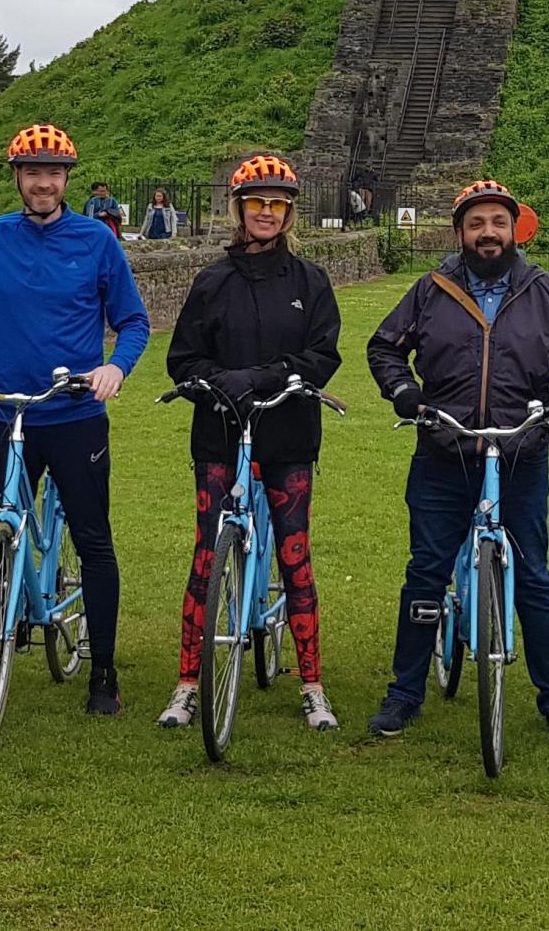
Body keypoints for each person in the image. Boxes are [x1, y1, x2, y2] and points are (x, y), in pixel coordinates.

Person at [366, 178, 549, 742]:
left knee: (534, 578)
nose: (488, 233)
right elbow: (384, 347)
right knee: (425, 572)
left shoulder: (545, 290)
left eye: (498, 223)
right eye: (477, 224)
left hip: (521, 450)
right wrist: (403, 391)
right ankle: (404, 693)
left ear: (514, 229)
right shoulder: (432, 289)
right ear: (460, 233)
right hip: (445, 449)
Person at [0, 124, 151, 716]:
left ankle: (103, 670)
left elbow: (133, 322)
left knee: (93, 539)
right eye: (32, 172)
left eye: (53, 172)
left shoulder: (97, 242)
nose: (43, 182)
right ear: (18, 178)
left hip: (74, 413)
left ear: (67, 179)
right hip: (6, 411)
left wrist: (115, 370)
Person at [160, 155, 343, 732]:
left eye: (278, 204)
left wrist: (262, 378)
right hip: (219, 432)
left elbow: (322, 356)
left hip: (287, 432)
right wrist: (216, 383)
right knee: (207, 556)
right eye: (257, 203)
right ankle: (188, 683)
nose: (267, 213)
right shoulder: (212, 281)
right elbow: (182, 359)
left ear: (290, 214)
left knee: (294, 556)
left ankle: (312, 684)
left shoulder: (310, 281)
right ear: (239, 210)